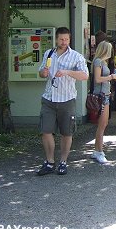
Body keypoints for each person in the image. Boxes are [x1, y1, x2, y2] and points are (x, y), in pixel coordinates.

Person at [36, 27, 89, 176]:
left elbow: (84, 76)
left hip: (66, 99)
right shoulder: (49, 54)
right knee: (46, 131)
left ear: (69, 39)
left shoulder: (76, 57)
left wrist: (67, 72)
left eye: (66, 39)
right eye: (61, 39)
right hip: (49, 98)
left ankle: (63, 162)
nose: (64, 42)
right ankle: (50, 161)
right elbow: (41, 71)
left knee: (66, 133)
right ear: (56, 39)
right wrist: (43, 73)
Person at [91, 41, 116, 164]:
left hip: (105, 95)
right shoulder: (98, 61)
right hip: (101, 95)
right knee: (102, 124)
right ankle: (99, 151)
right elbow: (97, 79)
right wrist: (112, 77)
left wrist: (113, 74)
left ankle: (97, 150)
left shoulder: (102, 62)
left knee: (103, 123)